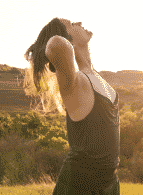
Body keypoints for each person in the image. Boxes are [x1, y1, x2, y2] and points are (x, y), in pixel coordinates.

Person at [25, 17, 120, 194]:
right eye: (72, 24)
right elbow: (55, 45)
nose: (79, 23)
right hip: (78, 185)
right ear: (66, 37)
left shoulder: (94, 76)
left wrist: (69, 34)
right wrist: (58, 31)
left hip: (109, 184)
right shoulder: (74, 83)